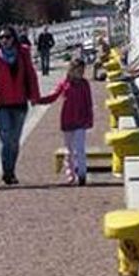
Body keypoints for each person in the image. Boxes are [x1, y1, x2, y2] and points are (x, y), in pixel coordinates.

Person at [0, 25, 40, 185]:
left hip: (19, 102)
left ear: (13, 38)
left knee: (14, 140)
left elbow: (31, 75)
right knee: (5, 138)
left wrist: (35, 95)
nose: (4, 40)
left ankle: (11, 170)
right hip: (2, 105)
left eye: (7, 37)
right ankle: (7, 172)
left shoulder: (22, 54)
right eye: (1, 38)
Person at [37, 56, 94, 185]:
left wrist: (89, 118)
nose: (79, 73)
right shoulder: (64, 84)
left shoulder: (85, 84)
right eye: (77, 70)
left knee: (80, 148)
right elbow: (53, 96)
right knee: (69, 149)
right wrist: (39, 100)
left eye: (81, 71)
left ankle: (82, 174)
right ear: (71, 70)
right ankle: (71, 172)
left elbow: (89, 102)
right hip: (68, 119)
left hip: (81, 120)